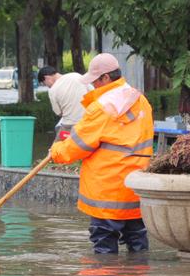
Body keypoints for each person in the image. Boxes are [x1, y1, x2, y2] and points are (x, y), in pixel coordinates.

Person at [49, 53, 154, 254]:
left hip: (107, 189)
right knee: (137, 241)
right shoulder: (141, 101)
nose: (93, 86)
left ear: (106, 78)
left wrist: (56, 151)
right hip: (135, 187)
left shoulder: (101, 108)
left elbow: (77, 146)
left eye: (95, 81)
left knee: (104, 246)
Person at [37, 66, 90, 140]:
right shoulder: (76, 75)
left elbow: (59, 113)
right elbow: (92, 92)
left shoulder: (53, 90)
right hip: (88, 121)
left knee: (55, 150)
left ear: (46, 78)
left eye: (45, 84)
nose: (47, 86)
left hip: (70, 125)